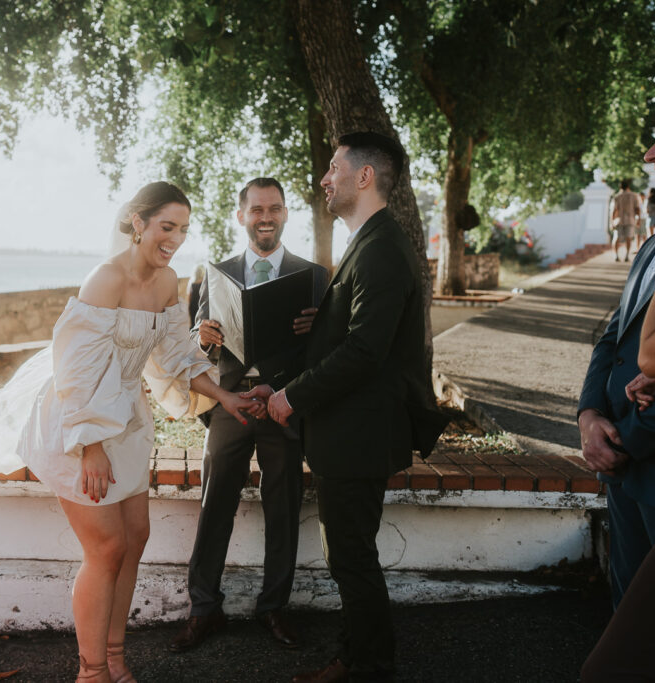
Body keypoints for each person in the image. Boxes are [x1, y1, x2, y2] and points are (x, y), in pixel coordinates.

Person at [0, 181, 263, 683]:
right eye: (165, 226)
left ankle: (115, 658)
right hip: (77, 418)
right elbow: (76, 371)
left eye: (182, 230)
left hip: (126, 415)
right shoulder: (105, 279)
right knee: (105, 548)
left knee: (135, 538)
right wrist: (89, 447)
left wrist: (226, 397)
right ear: (137, 223)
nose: (174, 238)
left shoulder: (167, 280)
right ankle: (90, 673)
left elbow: (174, 354)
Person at [245, 132, 447, 683]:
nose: (323, 178)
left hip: (359, 436)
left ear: (364, 177)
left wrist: (289, 397)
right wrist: (310, 344)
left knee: (351, 558)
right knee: (349, 555)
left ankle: (368, 666)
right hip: (349, 431)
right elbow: (353, 336)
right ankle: (356, 656)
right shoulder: (370, 241)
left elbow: (365, 352)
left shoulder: (381, 247)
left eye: (334, 167)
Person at [169, 177, 328, 653]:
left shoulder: (315, 275)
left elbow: (329, 353)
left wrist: (319, 328)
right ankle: (204, 609)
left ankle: (274, 608)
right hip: (229, 405)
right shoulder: (211, 274)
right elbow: (194, 351)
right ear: (241, 216)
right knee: (214, 505)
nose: (266, 216)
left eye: (274, 208)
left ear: (284, 214)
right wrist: (203, 337)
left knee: (283, 510)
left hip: (283, 406)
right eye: (256, 209)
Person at [581, 100, 655, 682]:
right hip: (619, 469)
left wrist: (629, 442)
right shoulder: (652, 245)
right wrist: (590, 416)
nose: (649, 153)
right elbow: (612, 340)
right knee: (626, 622)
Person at [612, 179, 643, 262]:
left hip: (619, 220)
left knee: (616, 238)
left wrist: (612, 222)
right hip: (630, 220)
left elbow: (614, 210)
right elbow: (637, 209)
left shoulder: (617, 196)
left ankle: (616, 255)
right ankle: (626, 255)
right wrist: (639, 219)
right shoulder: (634, 195)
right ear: (628, 186)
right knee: (628, 238)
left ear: (620, 187)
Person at [187, 262, 205, 327]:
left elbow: (189, 296)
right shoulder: (204, 282)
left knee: (193, 323)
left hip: (193, 306)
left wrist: (189, 307)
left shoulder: (191, 282)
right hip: (202, 305)